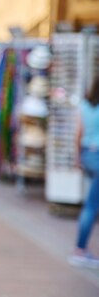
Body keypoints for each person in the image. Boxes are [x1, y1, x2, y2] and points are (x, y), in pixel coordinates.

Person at [69, 76, 99, 269]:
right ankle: (80, 249)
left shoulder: (85, 105)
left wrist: (78, 158)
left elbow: (78, 134)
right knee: (91, 205)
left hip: (88, 154)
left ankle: (80, 249)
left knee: (92, 203)